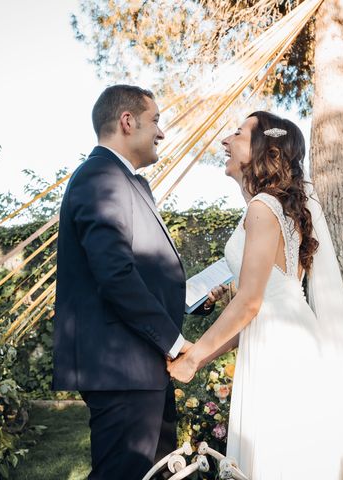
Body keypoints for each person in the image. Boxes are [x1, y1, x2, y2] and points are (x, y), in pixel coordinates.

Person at [168, 111, 343, 479]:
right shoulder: (279, 206)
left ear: (264, 149)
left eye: (237, 133)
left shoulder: (262, 207)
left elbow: (250, 302)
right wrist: (202, 354)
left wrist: (192, 360)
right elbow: (257, 310)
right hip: (289, 337)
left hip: (281, 353)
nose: (225, 140)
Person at [52, 85, 213, 480]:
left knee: (158, 472)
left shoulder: (127, 182)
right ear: (128, 122)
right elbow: (115, 274)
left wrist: (192, 299)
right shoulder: (99, 177)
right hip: (120, 366)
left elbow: (141, 270)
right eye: (156, 120)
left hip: (140, 364)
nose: (161, 132)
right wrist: (176, 344)